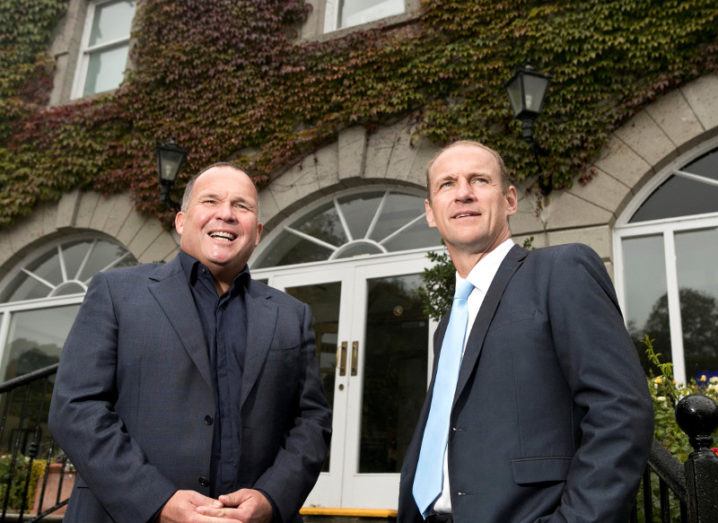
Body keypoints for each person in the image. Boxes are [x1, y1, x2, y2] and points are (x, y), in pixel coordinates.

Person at [49, 163, 331, 523]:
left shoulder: (293, 315)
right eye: (210, 200)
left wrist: (271, 498)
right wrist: (156, 501)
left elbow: (311, 422)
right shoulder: (116, 293)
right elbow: (76, 407)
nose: (226, 214)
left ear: (257, 232)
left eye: (241, 206)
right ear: (181, 221)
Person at [398, 141, 653, 523]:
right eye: (447, 184)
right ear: (431, 213)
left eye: (479, 180)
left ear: (510, 200)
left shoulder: (560, 271)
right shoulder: (450, 322)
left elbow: (619, 411)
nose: (463, 192)